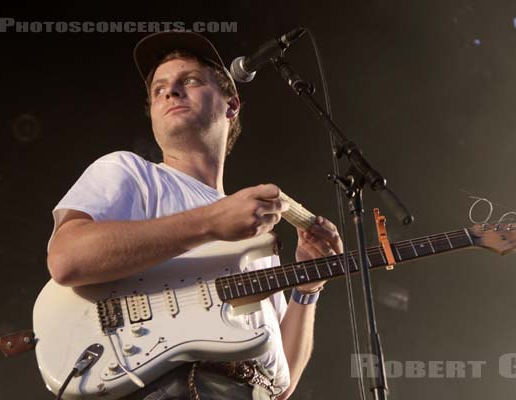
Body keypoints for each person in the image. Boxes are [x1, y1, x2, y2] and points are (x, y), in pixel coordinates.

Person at [46, 31, 343, 400]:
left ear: (231, 105)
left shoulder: (255, 231)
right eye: (159, 89)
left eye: (189, 81)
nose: (170, 92)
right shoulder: (129, 172)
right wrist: (210, 222)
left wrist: (307, 291)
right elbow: (66, 259)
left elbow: (279, 383)